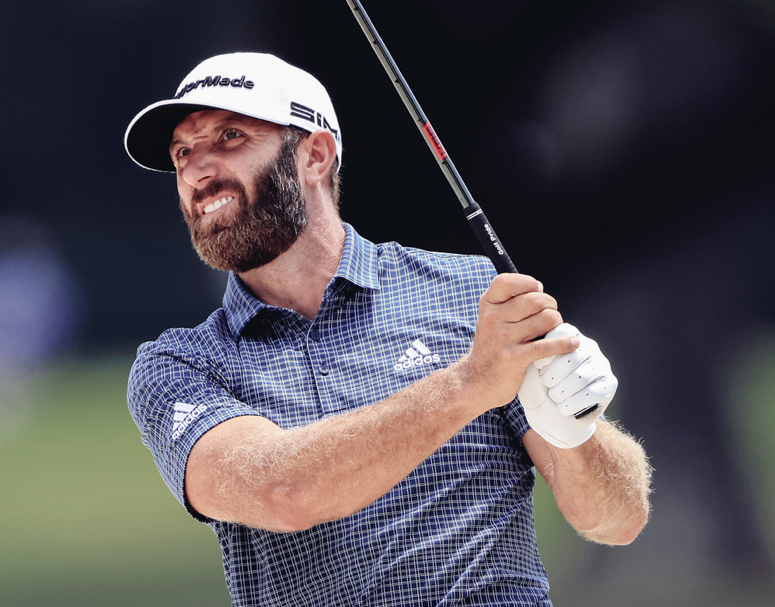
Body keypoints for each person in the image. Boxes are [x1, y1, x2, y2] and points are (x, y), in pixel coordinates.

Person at [125, 51, 652, 607]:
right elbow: (279, 490)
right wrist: (468, 384)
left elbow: (616, 520)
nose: (197, 171)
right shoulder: (180, 367)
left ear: (315, 155)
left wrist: (575, 432)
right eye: (183, 152)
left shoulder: (472, 294)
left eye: (230, 137)